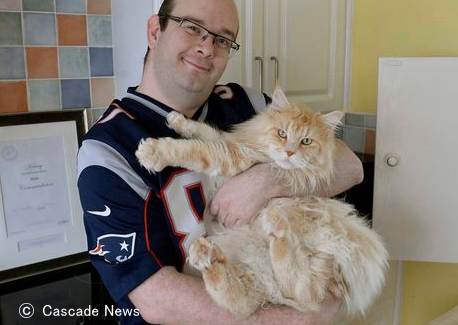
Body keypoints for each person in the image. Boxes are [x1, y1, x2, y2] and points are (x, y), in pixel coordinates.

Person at [77, 0, 363, 324]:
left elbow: (350, 167)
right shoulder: (108, 149)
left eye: (222, 39)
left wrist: (264, 182)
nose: (207, 47)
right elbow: (154, 298)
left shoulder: (250, 104)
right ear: (156, 31)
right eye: (193, 27)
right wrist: (293, 321)